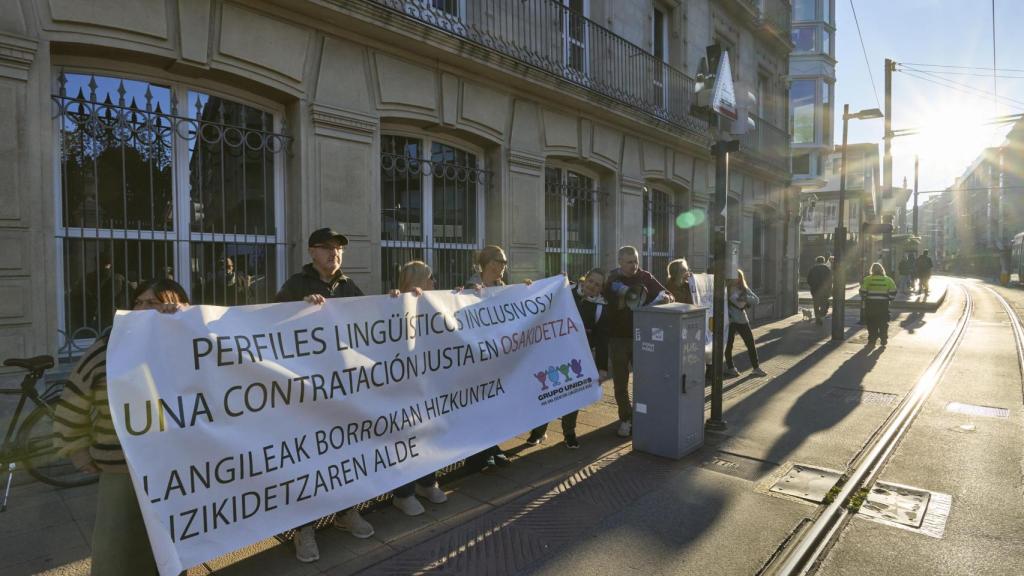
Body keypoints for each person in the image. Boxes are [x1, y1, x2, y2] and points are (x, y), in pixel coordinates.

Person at [54, 279, 189, 576]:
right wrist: (77, 450)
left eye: (153, 303)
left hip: (174, 465)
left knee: (173, 546)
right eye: (138, 302)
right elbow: (74, 398)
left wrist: (311, 311)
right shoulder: (109, 346)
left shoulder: (191, 344)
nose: (141, 309)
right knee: (116, 547)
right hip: (121, 467)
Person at [275, 228, 373, 562]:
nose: (335, 254)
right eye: (327, 248)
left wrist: (397, 300)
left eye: (339, 249)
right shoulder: (295, 285)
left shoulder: (348, 286)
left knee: (342, 452)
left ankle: (346, 512)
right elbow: (269, 325)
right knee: (308, 457)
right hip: (305, 388)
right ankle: (304, 528)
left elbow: (370, 321)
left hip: (341, 386)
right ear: (312, 252)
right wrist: (298, 309)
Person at [389, 261, 449, 516]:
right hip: (403, 386)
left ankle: (427, 482)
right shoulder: (392, 305)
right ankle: (403, 493)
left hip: (427, 382)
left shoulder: (435, 303)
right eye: (430, 277)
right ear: (416, 282)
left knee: (428, 433)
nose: (434, 283)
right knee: (406, 438)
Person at [527, 267, 610, 449]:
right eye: (591, 281)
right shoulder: (565, 291)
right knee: (547, 392)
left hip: (577, 360)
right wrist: (530, 287)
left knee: (573, 394)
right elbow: (541, 300)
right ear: (584, 279)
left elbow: (603, 340)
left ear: (601, 289)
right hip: (553, 353)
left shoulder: (600, 307)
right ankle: (538, 432)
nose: (593, 287)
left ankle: (569, 433)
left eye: (597, 285)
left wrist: (602, 368)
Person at [604, 246, 674, 437]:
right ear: (620, 262)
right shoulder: (611, 279)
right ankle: (626, 419)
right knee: (620, 383)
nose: (634, 265)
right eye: (629, 262)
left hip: (641, 337)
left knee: (645, 380)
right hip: (618, 338)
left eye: (636, 261)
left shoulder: (645, 277)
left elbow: (668, 294)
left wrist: (665, 299)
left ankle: (642, 415)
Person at [464, 245, 516, 469]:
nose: (504, 266)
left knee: (495, 405)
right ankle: (478, 454)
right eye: (501, 262)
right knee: (479, 406)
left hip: (496, 356)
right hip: (476, 358)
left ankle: (493, 447)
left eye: (505, 262)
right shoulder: (470, 287)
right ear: (490, 263)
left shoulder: (501, 287)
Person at [724, 269, 766, 377]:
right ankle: (730, 367)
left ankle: (756, 368)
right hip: (730, 321)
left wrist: (745, 298)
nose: (735, 279)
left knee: (750, 344)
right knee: (728, 345)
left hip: (742, 320)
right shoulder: (725, 289)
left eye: (738, 277)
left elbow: (756, 300)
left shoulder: (743, 289)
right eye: (734, 276)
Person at [860, 262, 897, 347]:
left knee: (871, 323)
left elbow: (863, 292)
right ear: (882, 270)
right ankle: (883, 339)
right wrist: (889, 299)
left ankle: (872, 340)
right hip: (883, 305)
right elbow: (893, 292)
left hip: (871, 304)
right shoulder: (888, 280)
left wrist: (866, 297)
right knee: (883, 322)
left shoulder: (867, 279)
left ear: (872, 270)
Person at [806, 256, 833, 325]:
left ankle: (818, 317)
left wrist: (812, 285)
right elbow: (830, 280)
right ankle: (821, 315)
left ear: (816, 261)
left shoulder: (812, 269)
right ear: (823, 261)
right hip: (825, 290)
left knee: (816, 304)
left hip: (815, 290)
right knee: (824, 304)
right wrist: (830, 289)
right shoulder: (827, 269)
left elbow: (808, 280)